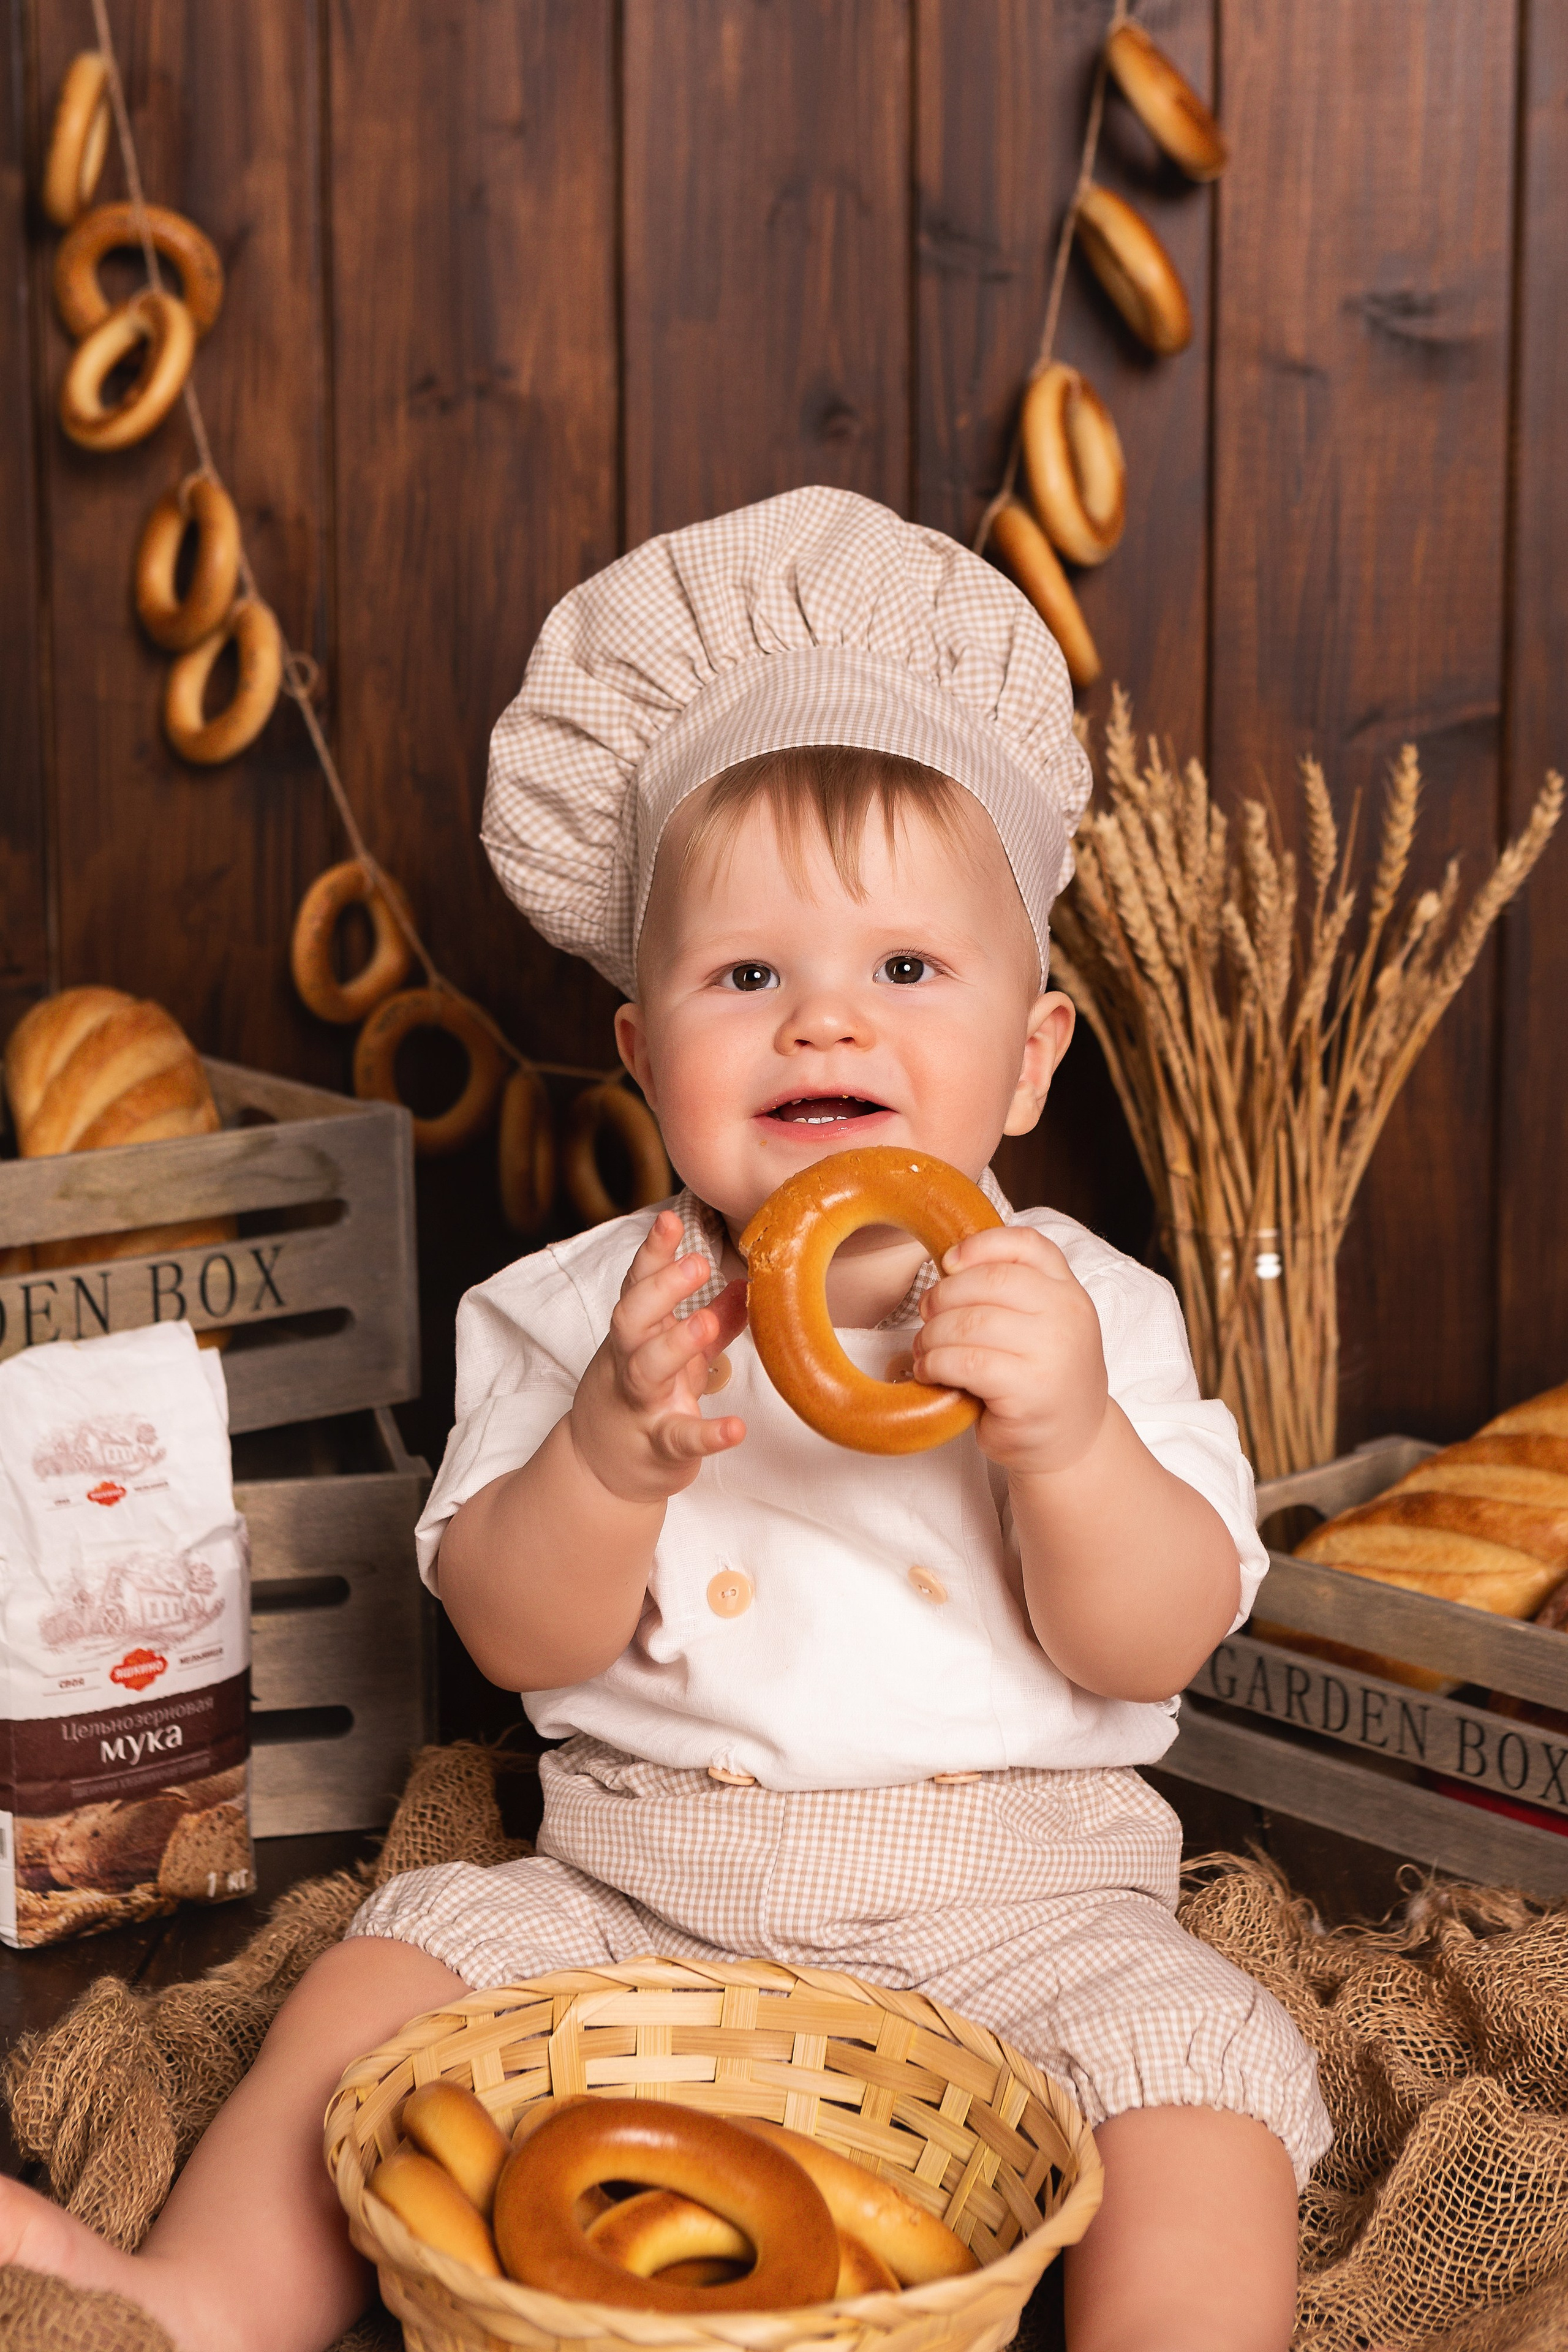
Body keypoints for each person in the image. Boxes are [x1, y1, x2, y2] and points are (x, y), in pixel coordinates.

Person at [0, 488, 1327, 2351]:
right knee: (387, 1975)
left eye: (910, 972)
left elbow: (1158, 1634)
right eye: (749, 975)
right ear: (645, 1052)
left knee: (1209, 2077)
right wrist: (613, 1454)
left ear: (1029, 1059)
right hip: (636, 1884)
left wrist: (1069, 1448)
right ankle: (196, 2298)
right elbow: (512, 1632)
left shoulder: (1083, 1315)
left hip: (1027, 1907)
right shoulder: (585, 1315)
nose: (824, 1026)